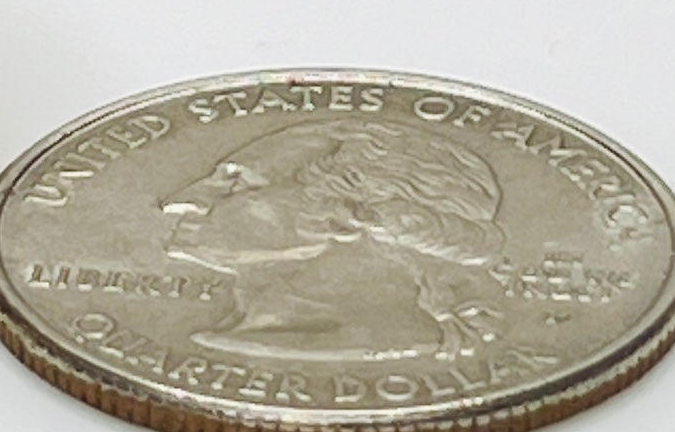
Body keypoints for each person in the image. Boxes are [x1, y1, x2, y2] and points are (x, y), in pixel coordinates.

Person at [162, 118, 507, 361]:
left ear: (342, 217)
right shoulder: (239, 334)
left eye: (236, 185)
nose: (180, 202)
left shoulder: (337, 344)